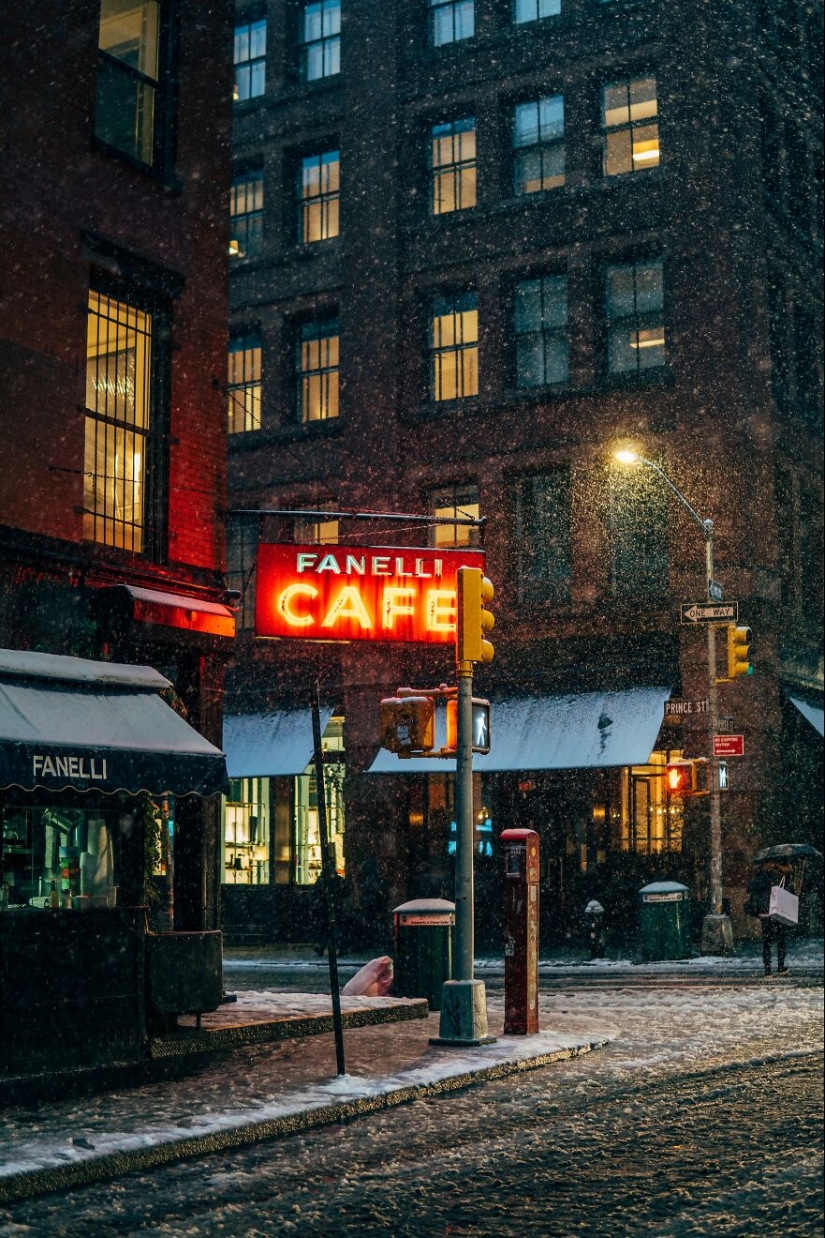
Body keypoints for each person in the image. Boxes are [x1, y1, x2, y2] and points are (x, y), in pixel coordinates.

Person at [745, 861, 794, 977]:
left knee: (767, 941)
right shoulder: (778, 876)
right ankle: (780, 966)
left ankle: (768, 970)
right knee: (781, 939)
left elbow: (750, 889)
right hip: (776, 910)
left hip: (764, 912)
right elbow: (788, 889)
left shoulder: (758, 877)